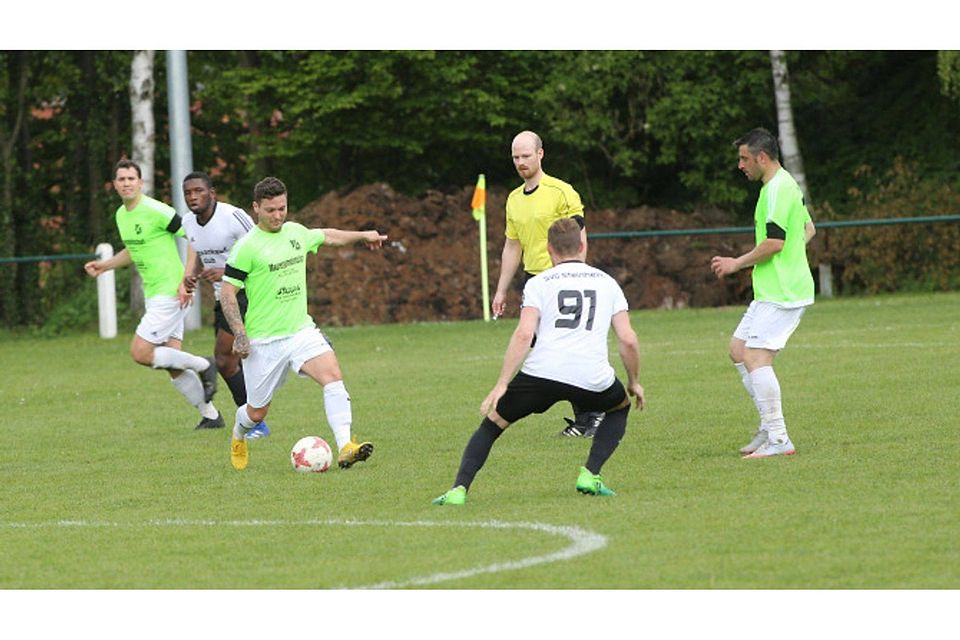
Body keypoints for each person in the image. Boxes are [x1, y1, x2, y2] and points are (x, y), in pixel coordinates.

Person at [433, 217, 645, 505]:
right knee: (619, 407)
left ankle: (458, 490)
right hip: (591, 376)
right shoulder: (607, 283)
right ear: (583, 245)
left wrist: (502, 384)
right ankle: (590, 474)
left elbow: (524, 334)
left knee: (492, 425)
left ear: (548, 249)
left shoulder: (539, 283)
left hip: (541, 373)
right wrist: (633, 382)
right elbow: (628, 339)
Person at [220, 176, 386, 471]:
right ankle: (238, 434)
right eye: (270, 210)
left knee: (332, 376)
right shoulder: (246, 247)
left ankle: (346, 445)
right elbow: (227, 292)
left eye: (282, 208)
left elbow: (329, 236)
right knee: (256, 413)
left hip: (300, 331)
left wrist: (364, 235)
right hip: (264, 341)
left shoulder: (296, 233)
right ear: (255, 208)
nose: (277, 215)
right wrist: (240, 334)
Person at [84, 159, 223, 430]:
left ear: (141, 183)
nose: (126, 183)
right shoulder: (121, 215)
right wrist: (105, 265)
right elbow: (134, 251)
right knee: (171, 362)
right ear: (114, 185)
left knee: (140, 352)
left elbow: (193, 236)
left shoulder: (157, 210)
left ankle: (205, 364)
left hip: (170, 291)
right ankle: (211, 416)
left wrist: (187, 279)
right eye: (121, 179)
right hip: (155, 293)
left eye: (131, 178)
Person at [710, 127, 816, 458]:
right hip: (773, 288)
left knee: (756, 357)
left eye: (744, 159)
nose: (740, 165)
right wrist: (792, 258)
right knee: (739, 350)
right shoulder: (782, 185)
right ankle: (768, 429)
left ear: (762, 157)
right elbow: (808, 229)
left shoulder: (776, 190)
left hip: (783, 291)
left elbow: (775, 242)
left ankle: (780, 439)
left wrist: (736, 263)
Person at [492, 130, 604, 439]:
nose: (520, 162)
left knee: (556, 346)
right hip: (534, 282)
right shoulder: (514, 200)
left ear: (541, 154)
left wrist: (578, 275)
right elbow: (513, 246)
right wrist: (501, 289)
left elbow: (579, 237)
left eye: (526, 155)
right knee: (548, 347)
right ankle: (590, 412)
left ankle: (590, 414)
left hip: (562, 278)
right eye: (515, 157)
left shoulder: (562, 192)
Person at [180, 171, 269, 439]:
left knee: (225, 358)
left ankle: (255, 422)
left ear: (212, 193)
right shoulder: (188, 222)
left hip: (247, 293)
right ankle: (253, 419)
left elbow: (263, 249)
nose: (193, 196)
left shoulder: (233, 217)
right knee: (231, 361)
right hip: (223, 299)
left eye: (198, 191)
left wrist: (227, 272)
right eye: (188, 193)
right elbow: (199, 252)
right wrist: (191, 275)